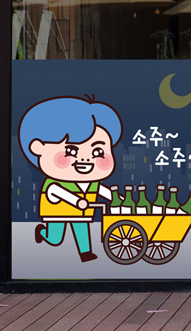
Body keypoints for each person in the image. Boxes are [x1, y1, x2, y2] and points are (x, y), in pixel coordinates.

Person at [18, 94, 123, 262]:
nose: (86, 159)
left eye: (97, 151)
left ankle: (85, 252)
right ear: (38, 148)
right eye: (71, 151)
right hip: (57, 213)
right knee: (55, 239)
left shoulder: (91, 182)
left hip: (82, 213)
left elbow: (103, 191)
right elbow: (59, 193)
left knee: (82, 229)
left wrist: (119, 199)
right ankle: (42, 232)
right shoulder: (53, 184)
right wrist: (77, 201)